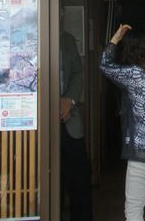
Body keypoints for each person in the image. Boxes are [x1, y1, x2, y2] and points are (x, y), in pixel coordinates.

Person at [100, 24, 145, 221]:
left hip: (141, 152)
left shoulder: (135, 74)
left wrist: (115, 38)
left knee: (134, 209)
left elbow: (105, 65)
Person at [60, 30, 92, 220]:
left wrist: (69, 100)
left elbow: (78, 72)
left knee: (79, 175)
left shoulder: (67, 39)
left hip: (69, 119)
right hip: (38, 122)